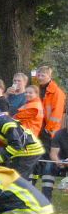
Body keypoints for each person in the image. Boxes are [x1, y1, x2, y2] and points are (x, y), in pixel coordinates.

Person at [37, 65, 66, 199]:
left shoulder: (57, 92)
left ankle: (46, 196)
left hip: (50, 132)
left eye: (43, 75)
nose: (40, 77)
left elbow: (57, 113)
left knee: (48, 162)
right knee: (38, 160)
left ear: (50, 76)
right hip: (39, 130)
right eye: (38, 75)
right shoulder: (38, 90)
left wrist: (49, 128)